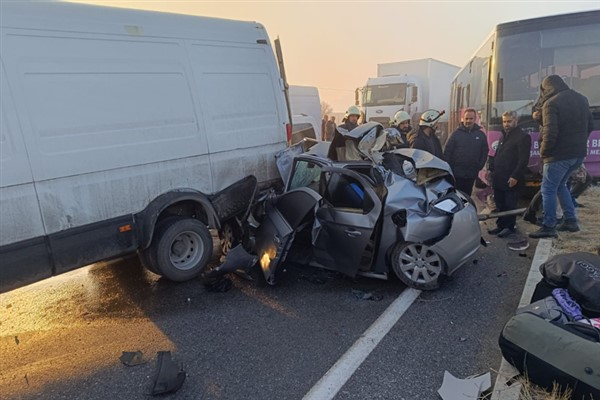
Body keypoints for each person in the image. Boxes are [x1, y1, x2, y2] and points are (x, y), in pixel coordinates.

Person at [529, 75, 594, 238]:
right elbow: (590, 125)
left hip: (558, 155)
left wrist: (544, 153)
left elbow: (551, 132)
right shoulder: (582, 99)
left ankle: (548, 226)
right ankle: (571, 221)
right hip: (578, 154)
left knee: (548, 189)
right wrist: (578, 143)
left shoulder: (551, 103)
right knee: (561, 185)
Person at [486, 111, 531, 238]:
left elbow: (523, 160)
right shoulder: (503, 136)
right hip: (499, 177)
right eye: (504, 121)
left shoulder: (522, 137)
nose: (506, 124)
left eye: (509, 121)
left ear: (516, 121)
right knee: (499, 203)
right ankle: (500, 225)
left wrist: (515, 176)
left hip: (511, 178)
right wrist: (490, 169)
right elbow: (496, 155)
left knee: (509, 204)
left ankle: (509, 227)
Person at [443, 108, 489, 196]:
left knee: (467, 197)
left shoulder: (481, 135)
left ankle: (466, 209)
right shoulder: (455, 134)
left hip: (471, 174)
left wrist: (479, 165)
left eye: (471, 119)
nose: (468, 121)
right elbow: (447, 152)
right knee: (457, 196)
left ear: (475, 119)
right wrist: (449, 169)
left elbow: (484, 151)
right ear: (463, 119)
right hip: (456, 175)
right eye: (466, 118)